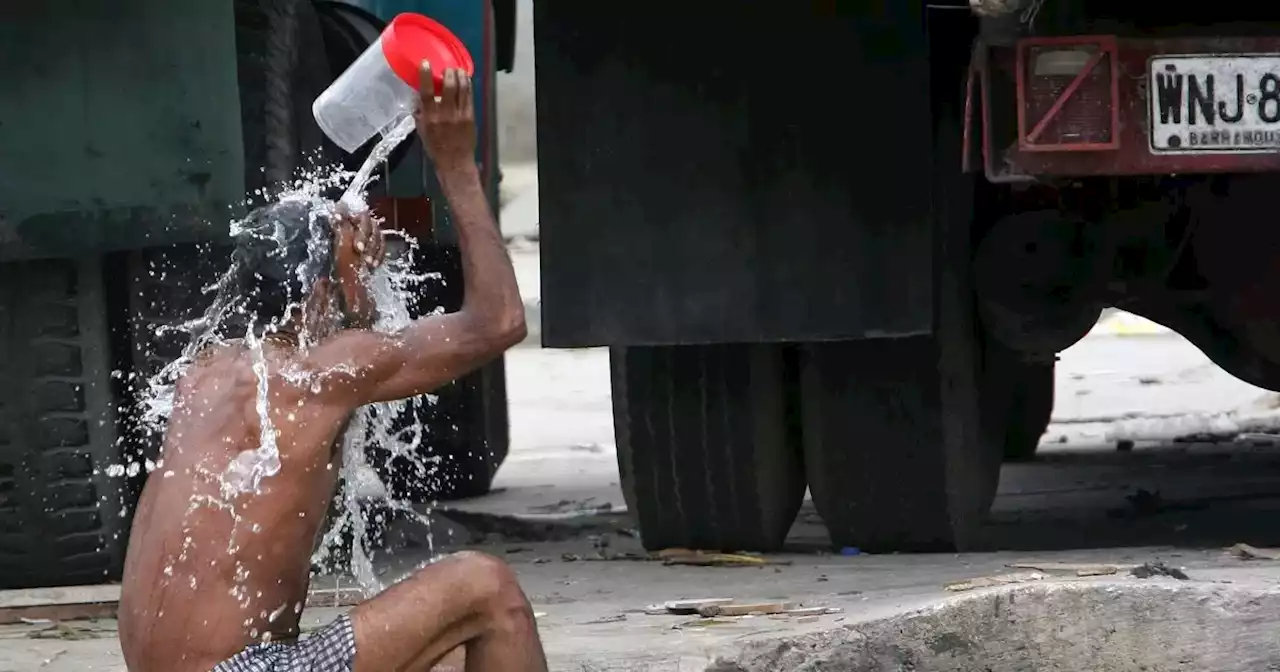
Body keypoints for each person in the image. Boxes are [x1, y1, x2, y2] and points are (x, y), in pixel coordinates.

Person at [118, 63, 545, 672]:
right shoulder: (316, 374)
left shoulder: (209, 372)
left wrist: (352, 281)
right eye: (356, 261)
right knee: (487, 590)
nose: (375, 267)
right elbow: (499, 321)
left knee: (451, 647)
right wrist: (455, 163)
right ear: (317, 296)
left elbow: (339, 358)